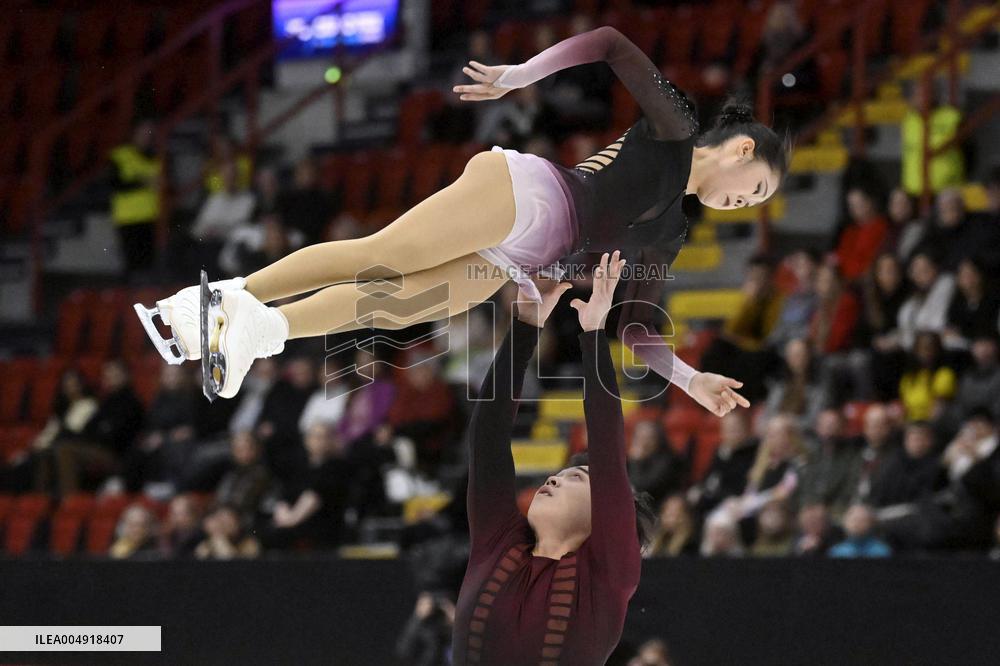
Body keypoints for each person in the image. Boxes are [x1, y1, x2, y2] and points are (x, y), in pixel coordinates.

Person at [141, 26, 787, 410]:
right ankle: (227, 297)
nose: (744, 204)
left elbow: (640, 330)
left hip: (522, 259)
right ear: (740, 149)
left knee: (390, 306)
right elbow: (611, 44)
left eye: (753, 205)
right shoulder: (676, 131)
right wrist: (520, 76)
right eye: (752, 188)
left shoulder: (674, 232)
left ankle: (256, 327)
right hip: (529, 195)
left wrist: (689, 378)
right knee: (382, 256)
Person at [451, 253, 742, 665]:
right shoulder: (496, 540)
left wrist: (593, 334)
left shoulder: (608, 573)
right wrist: (525, 326)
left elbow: (607, 453)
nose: (553, 479)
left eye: (574, 478)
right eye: (561, 473)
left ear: (602, 513)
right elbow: (488, 440)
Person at [110, 119, 161, 277]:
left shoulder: (157, 157)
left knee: (149, 263)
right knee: (131, 263)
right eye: (143, 133)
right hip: (127, 217)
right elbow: (115, 184)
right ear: (134, 134)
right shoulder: (120, 156)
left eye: (149, 133)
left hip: (150, 216)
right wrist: (143, 182)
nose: (146, 137)